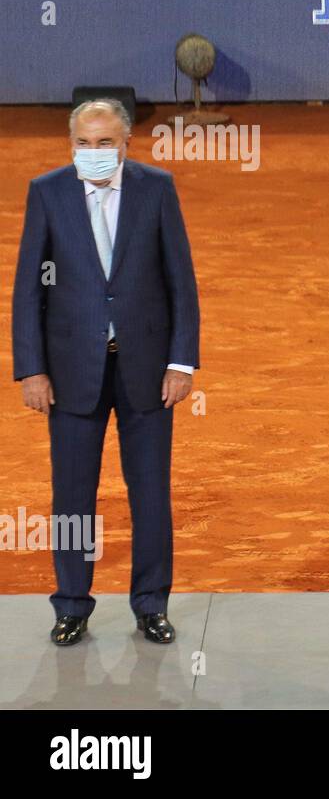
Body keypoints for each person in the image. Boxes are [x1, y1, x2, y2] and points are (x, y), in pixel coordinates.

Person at [12, 98, 200, 646]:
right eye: (84, 144)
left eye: (106, 143)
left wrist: (181, 361)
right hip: (70, 373)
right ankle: (71, 605)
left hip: (146, 370)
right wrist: (32, 370)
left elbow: (179, 281)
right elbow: (29, 290)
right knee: (72, 496)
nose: (94, 153)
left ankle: (150, 605)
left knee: (150, 495)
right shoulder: (47, 192)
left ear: (126, 145)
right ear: (72, 146)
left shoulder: (156, 188)